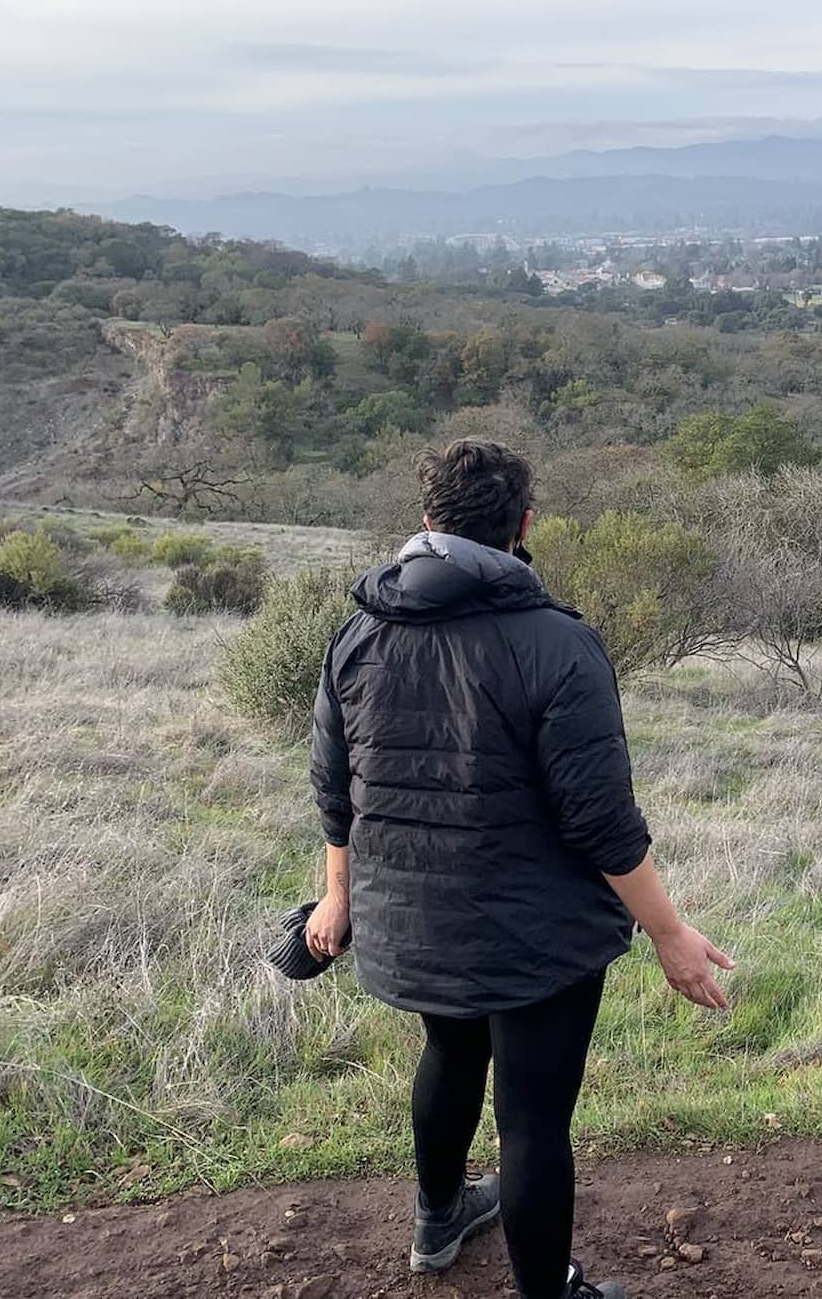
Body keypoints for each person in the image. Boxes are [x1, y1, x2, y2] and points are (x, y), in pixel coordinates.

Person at [303, 438, 732, 1299]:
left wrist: (337, 897)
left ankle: (438, 1220)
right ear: (523, 526)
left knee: (449, 1053)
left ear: (426, 523)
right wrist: (671, 934)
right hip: (538, 937)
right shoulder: (556, 644)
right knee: (534, 1121)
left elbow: (333, 790)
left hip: (412, 924)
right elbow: (602, 822)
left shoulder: (359, 634)